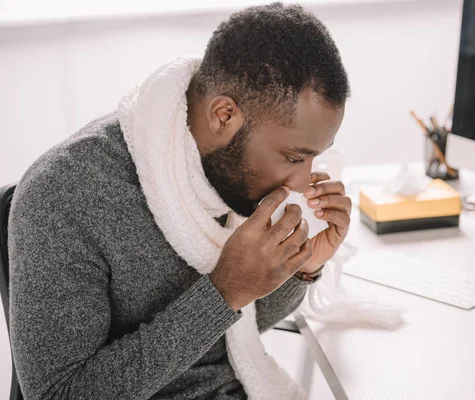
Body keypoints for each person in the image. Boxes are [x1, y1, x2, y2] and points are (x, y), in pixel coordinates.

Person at [8, 2, 350, 399]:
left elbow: (233, 334)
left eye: (313, 158)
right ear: (224, 115)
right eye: (294, 157)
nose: (302, 180)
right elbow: (58, 395)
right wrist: (225, 291)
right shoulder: (64, 193)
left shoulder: (228, 177)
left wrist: (303, 267)